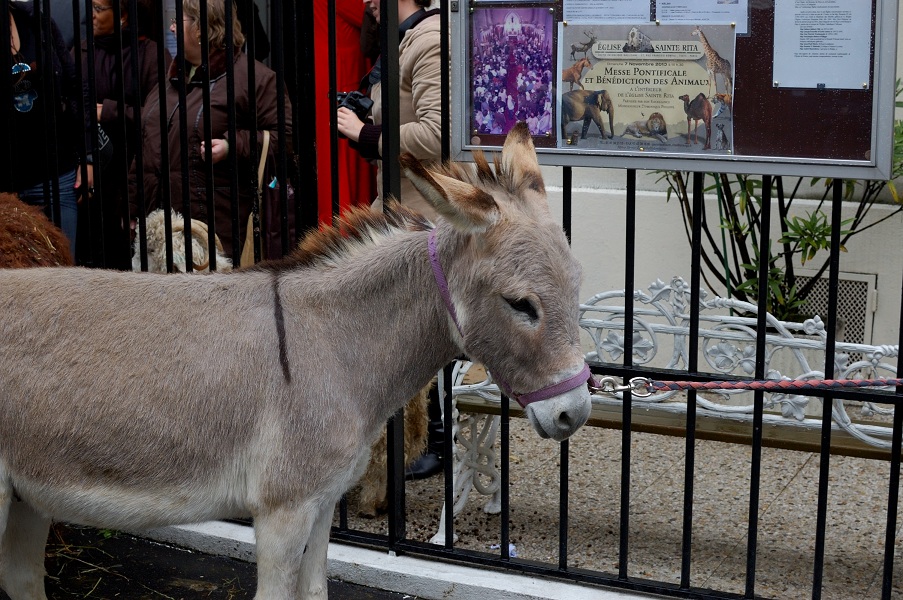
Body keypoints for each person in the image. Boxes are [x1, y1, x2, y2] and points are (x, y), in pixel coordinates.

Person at [336, 0, 444, 480]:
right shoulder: (403, 39)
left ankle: (434, 441)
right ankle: (412, 441)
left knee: (426, 331)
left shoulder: (430, 39)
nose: (365, 4)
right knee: (408, 327)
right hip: (400, 209)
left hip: (426, 214)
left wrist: (366, 133)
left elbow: (437, 135)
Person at [130, 0, 292, 260]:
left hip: (218, 230)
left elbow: (285, 138)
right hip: (163, 230)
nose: (171, 28)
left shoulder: (255, 79)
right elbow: (145, 147)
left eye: (177, 21)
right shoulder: (171, 81)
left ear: (201, 29)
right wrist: (134, 209)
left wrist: (233, 145)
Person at [80, 0, 171, 269]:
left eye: (98, 9)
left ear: (123, 16)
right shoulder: (83, 51)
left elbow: (159, 115)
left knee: (132, 254)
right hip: (94, 168)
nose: (91, 16)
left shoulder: (152, 55)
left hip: (135, 167)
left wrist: (106, 111)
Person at [4, 1, 87, 257]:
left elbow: (74, 87)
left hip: (56, 174)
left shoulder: (34, 20)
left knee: (61, 270)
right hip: (8, 186)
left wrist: (88, 155)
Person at [314, 0, 376, 223]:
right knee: (344, 159)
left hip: (341, 67)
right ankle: (345, 228)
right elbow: (378, 14)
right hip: (343, 70)